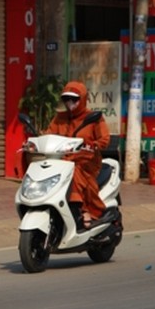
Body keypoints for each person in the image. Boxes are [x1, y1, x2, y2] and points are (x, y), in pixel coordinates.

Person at [45, 81, 110, 229]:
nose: (70, 102)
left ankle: (85, 210)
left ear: (82, 99)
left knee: (75, 172)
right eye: (67, 99)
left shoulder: (93, 117)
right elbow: (49, 134)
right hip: (61, 160)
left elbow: (104, 139)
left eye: (74, 99)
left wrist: (93, 145)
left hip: (86, 161)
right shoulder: (59, 118)